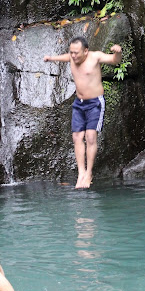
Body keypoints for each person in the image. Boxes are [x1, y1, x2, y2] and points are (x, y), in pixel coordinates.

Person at [44, 36, 122, 188]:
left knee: (91, 136)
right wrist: (51, 58)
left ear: (86, 51)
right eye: (71, 52)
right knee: (77, 136)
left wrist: (118, 52)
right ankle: (81, 172)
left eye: (77, 53)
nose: (73, 56)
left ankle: (89, 173)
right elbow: (65, 57)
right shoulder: (72, 58)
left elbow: (114, 60)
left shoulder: (95, 57)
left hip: (94, 103)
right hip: (79, 103)